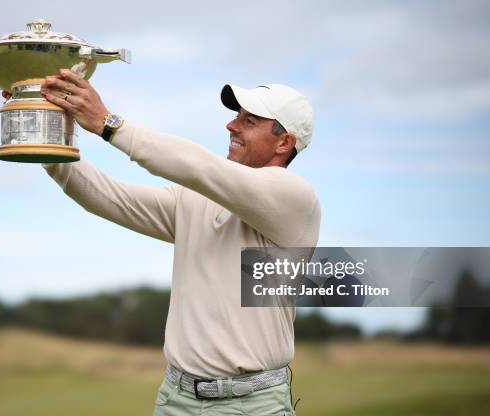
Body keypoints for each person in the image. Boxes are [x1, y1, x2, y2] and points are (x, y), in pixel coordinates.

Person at [26, 69, 320, 415]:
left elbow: (198, 167)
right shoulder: (196, 199)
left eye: (250, 121)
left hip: (252, 405)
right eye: (236, 117)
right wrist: (46, 138)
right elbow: (107, 197)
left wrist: (108, 123)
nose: (231, 126)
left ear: (284, 143)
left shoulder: (295, 199)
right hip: (175, 399)